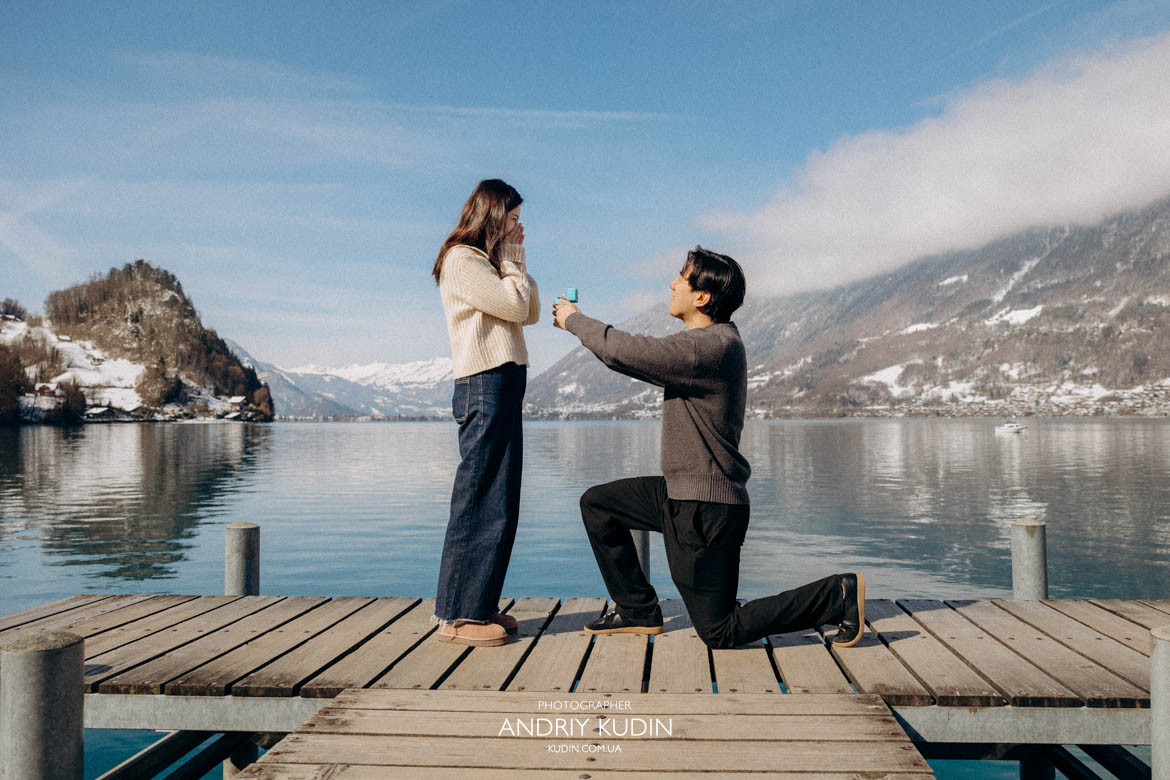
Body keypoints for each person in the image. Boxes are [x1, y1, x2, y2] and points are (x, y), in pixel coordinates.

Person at [552, 247, 865, 649]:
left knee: (720, 632)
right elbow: (625, 360)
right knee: (599, 504)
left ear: (701, 296)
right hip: (680, 494)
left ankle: (835, 595)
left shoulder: (711, 348)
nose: (672, 283)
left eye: (681, 277)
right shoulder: (705, 346)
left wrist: (575, 321)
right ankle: (637, 610)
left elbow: (621, 351)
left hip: (707, 509)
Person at [432, 179, 540, 647]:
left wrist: (513, 263)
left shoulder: (491, 263)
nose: (520, 227)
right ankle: (456, 616)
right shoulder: (462, 259)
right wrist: (514, 263)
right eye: (514, 218)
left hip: (503, 381)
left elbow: (530, 310)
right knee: (478, 497)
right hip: (483, 382)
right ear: (493, 215)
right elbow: (515, 306)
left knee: (501, 499)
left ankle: (478, 603)